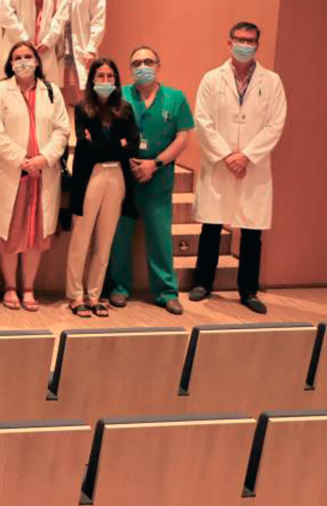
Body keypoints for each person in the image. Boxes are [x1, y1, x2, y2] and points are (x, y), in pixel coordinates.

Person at [191, 21, 287, 314]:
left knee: (251, 231)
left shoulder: (272, 82)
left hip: (252, 167)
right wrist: (226, 155)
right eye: (239, 40)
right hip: (220, 164)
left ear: (257, 45)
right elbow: (203, 120)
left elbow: (275, 124)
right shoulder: (212, 79)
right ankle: (202, 283)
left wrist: (246, 155)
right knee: (211, 225)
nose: (244, 45)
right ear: (229, 42)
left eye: (250, 41)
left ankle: (248, 290)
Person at [0, 41, 71, 312]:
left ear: (37, 61)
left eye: (28, 56)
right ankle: (10, 286)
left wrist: (44, 158)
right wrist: (21, 159)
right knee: (11, 233)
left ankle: (28, 287)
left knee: (34, 236)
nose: (23, 62)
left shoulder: (52, 92)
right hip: (12, 172)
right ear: (10, 63)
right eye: (17, 57)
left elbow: (62, 130)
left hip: (42, 173)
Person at [105, 46, 192, 314]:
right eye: (136, 63)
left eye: (148, 61)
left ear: (158, 65)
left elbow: (182, 137)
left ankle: (166, 292)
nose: (142, 66)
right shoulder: (120, 97)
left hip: (158, 176)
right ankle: (118, 288)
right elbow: (107, 130)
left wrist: (154, 164)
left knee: (160, 236)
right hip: (125, 175)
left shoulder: (175, 98)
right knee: (120, 235)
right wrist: (128, 159)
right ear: (130, 69)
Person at [65, 59, 139, 318]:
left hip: (116, 176)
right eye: (100, 76)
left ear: (116, 80)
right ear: (92, 79)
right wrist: (116, 146)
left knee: (105, 240)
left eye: (110, 76)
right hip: (90, 176)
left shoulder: (126, 109)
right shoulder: (83, 108)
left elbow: (133, 145)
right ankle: (75, 295)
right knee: (81, 237)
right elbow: (84, 148)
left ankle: (95, 294)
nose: (105, 81)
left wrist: (107, 146)